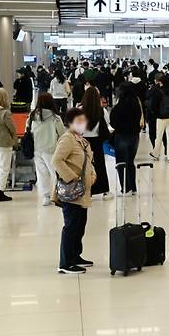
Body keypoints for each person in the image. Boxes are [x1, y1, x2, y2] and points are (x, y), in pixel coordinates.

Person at [51, 107, 97, 274]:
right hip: (71, 190)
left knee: (80, 225)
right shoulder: (67, 139)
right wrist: (72, 177)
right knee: (71, 226)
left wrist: (93, 174)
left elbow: (89, 161)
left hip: (82, 191)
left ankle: (75, 255)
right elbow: (56, 160)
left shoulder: (82, 141)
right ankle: (65, 263)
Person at [28, 93, 65, 206]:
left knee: (42, 173)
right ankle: (57, 194)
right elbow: (63, 133)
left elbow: (28, 130)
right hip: (52, 149)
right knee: (55, 173)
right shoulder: (55, 118)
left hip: (37, 148)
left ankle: (46, 196)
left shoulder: (33, 116)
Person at [110, 82, 143, 194]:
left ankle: (125, 187)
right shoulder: (136, 105)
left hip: (121, 136)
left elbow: (113, 122)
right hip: (134, 136)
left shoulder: (119, 107)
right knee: (130, 161)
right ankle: (133, 187)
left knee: (121, 163)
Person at [80, 87, 111, 201]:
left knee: (85, 166)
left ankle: (87, 191)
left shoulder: (80, 109)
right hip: (97, 141)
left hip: (83, 142)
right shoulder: (101, 110)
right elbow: (107, 123)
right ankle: (104, 190)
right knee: (100, 165)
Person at [149, 75, 169, 163]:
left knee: (159, 136)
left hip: (161, 117)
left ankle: (156, 154)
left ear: (161, 82)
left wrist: (156, 113)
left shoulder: (158, 92)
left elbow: (153, 105)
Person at [0, 89, 16, 212]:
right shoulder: (5, 113)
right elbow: (12, 128)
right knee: (4, 168)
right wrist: (14, 140)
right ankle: (1, 191)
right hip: (4, 144)